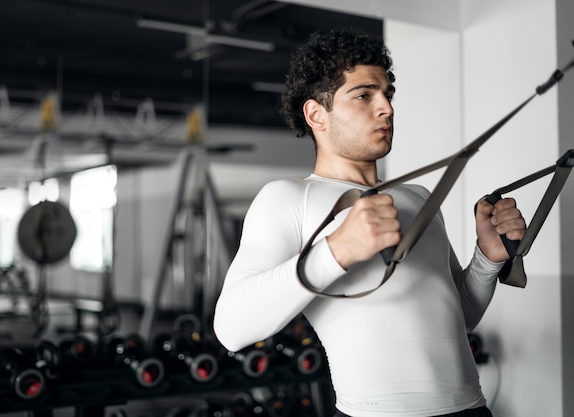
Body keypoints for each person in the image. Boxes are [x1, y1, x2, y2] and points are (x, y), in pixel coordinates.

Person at [212, 28, 526, 417]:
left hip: (471, 411)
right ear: (316, 114)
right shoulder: (288, 199)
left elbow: (455, 319)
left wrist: (487, 259)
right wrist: (336, 251)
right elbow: (231, 328)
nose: (387, 108)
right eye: (364, 95)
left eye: (387, 94)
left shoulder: (419, 197)